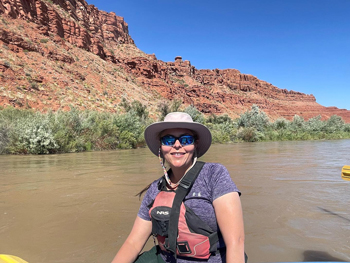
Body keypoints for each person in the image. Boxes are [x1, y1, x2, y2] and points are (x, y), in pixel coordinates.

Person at [111, 112, 245, 263]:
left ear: (195, 144)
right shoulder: (155, 189)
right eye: (168, 140)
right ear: (161, 147)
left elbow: (236, 242)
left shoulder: (214, 175)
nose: (177, 145)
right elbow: (133, 244)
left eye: (185, 139)